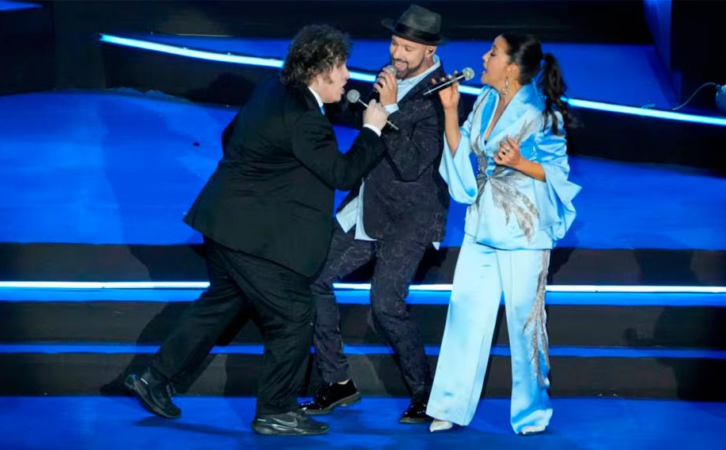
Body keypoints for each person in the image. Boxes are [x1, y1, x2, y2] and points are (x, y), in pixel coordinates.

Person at [124, 24, 390, 436]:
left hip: (224, 224)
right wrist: (372, 129)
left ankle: (154, 379)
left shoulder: (272, 89)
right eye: (341, 67)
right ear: (320, 72)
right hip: (251, 238)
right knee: (294, 315)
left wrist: (266, 183)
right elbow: (343, 173)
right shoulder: (305, 119)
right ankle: (276, 410)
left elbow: (231, 136)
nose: (346, 76)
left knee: (221, 304)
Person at [298, 4, 450, 424]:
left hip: (411, 217)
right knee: (314, 278)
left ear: (429, 51)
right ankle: (336, 381)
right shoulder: (391, 76)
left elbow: (412, 165)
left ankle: (427, 395)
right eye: (394, 44)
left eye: (407, 48)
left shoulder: (442, 96)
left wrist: (389, 109)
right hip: (367, 204)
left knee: (385, 304)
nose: (397, 54)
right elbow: (364, 116)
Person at [425, 33, 581, 435]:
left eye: (492, 53)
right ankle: (449, 404)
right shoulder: (485, 100)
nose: (483, 57)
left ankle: (532, 412)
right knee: (464, 314)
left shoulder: (542, 113)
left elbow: (559, 174)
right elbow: (464, 153)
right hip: (481, 225)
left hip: (524, 232)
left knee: (525, 323)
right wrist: (450, 110)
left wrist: (521, 162)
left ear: (511, 68)